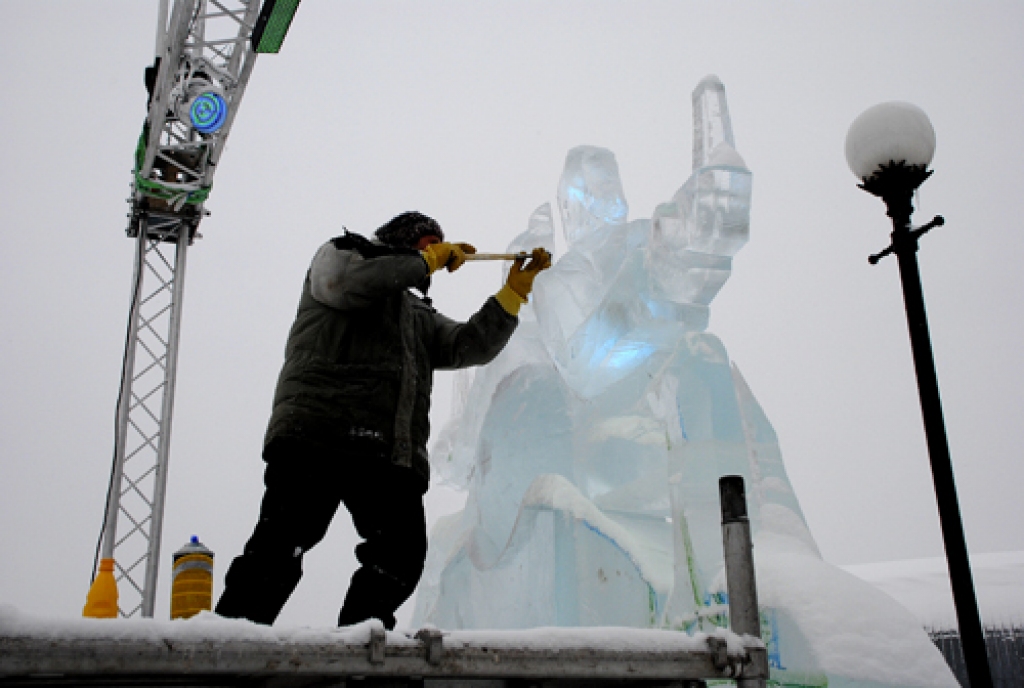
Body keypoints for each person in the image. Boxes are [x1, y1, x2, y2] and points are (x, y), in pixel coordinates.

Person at [215, 211, 550, 630]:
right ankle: (231, 640)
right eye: (426, 244)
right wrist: (426, 260)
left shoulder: (416, 315)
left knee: (400, 555)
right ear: (399, 243)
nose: (434, 255)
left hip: (384, 452)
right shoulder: (340, 256)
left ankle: (361, 645)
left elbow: (468, 346)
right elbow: (346, 284)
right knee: (282, 542)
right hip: (317, 434)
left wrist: (512, 295)